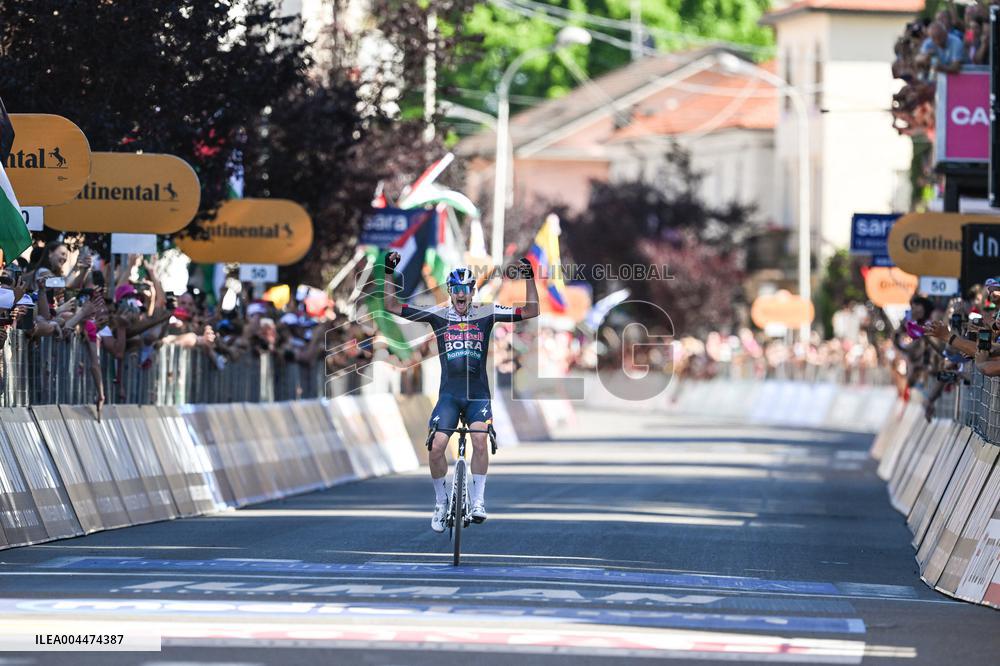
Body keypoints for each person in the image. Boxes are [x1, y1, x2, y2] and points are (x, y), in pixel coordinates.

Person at [382, 252, 539, 532]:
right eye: (455, 289)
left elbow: (530, 311)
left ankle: (478, 501)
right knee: (436, 448)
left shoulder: (487, 312)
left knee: (480, 440)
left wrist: (529, 277)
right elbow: (392, 305)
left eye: (465, 289)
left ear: (472, 291)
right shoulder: (439, 315)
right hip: (449, 396)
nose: (460, 294)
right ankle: (441, 503)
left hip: (478, 395)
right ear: (450, 292)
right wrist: (388, 271)